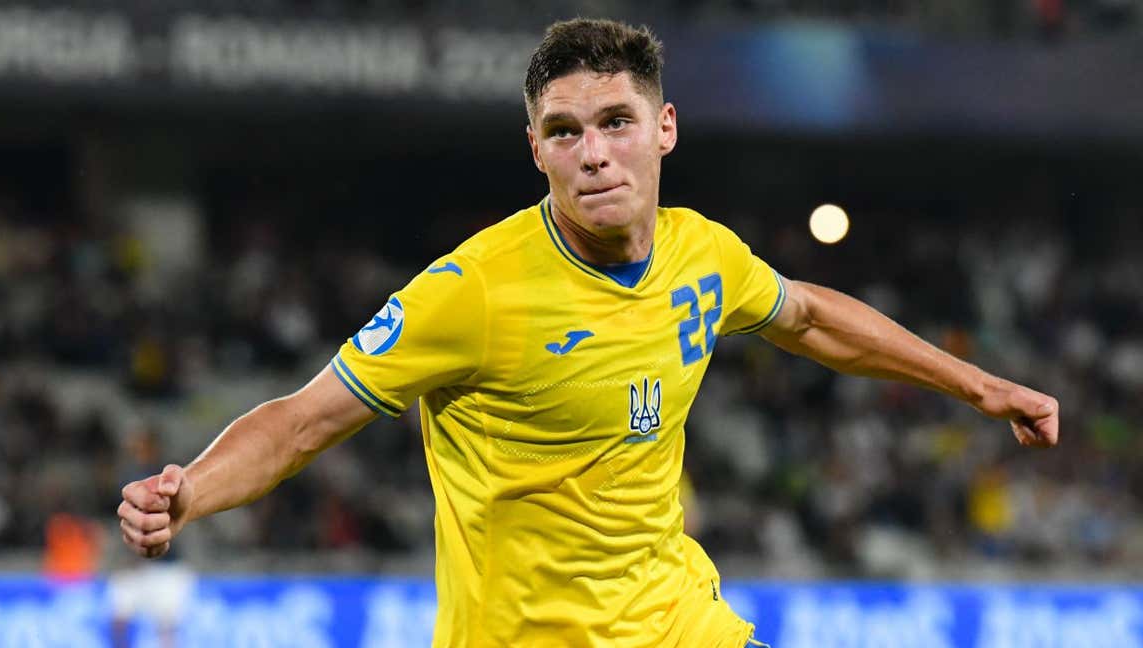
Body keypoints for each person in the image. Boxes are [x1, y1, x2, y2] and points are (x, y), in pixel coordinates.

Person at [118, 18, 1059, 647]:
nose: (594, 151)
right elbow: (301, 420)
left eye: (616, 121)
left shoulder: (705, 254)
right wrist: (189, 491)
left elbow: (810, 317)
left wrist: (976, 385)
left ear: (666, 130)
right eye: (564, 131)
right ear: (535, 149)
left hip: (679, 622)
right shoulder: (471, 292)